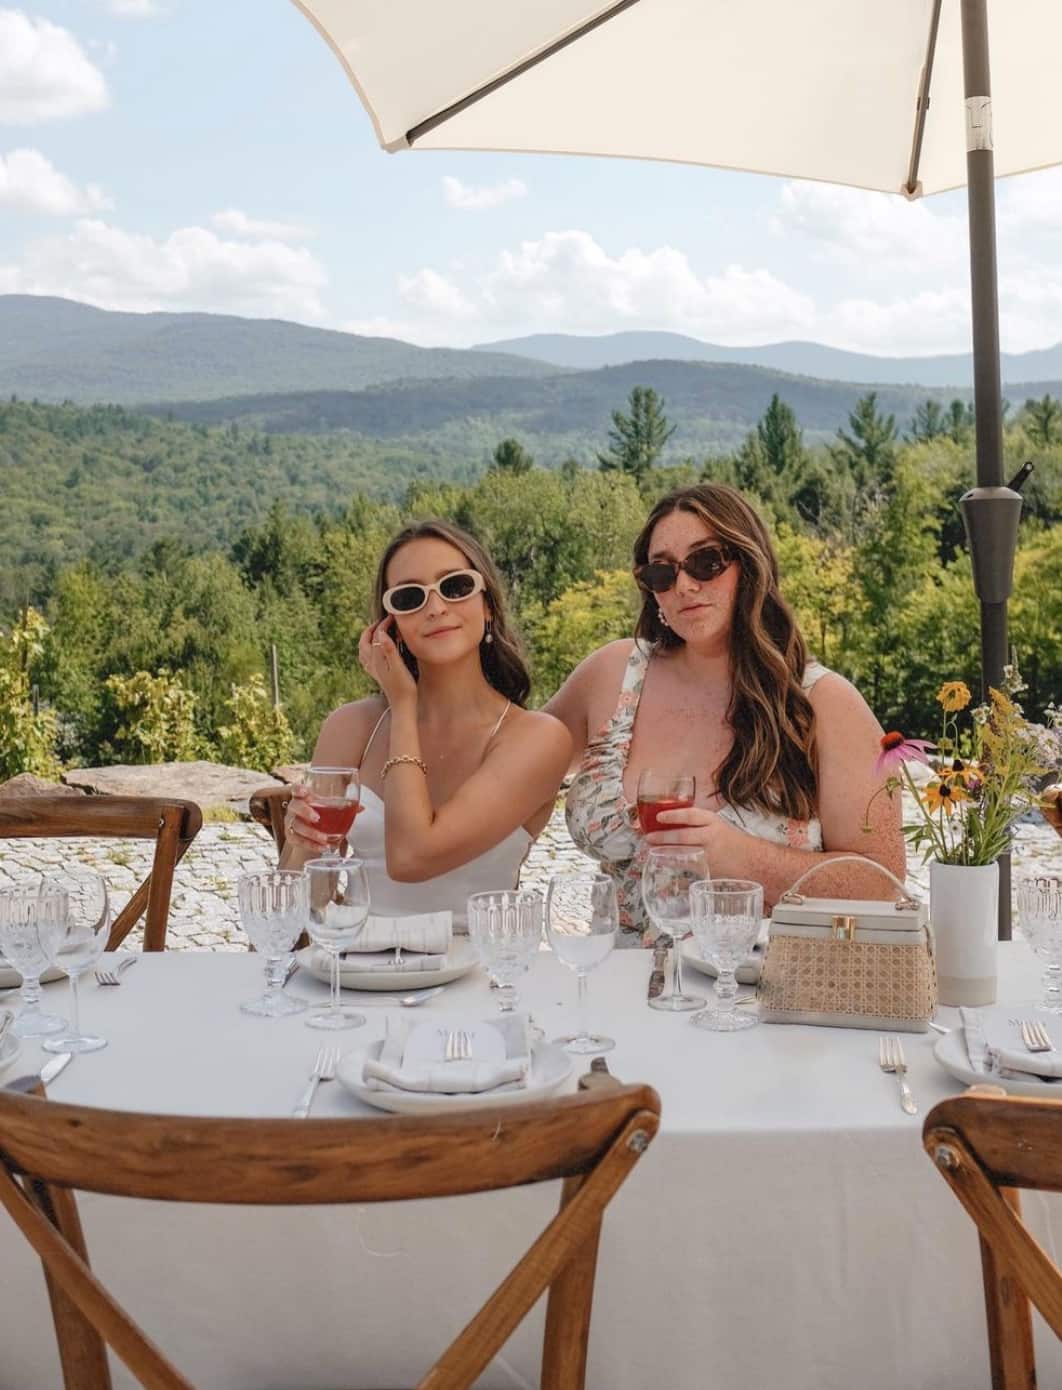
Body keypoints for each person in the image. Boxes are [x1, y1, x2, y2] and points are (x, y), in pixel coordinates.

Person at [546, 483, 905, 944]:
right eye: (662, 573)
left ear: (748, 567)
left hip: (760, 998)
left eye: (706, 562)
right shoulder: (613, 676)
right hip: (615, 994)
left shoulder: (825, 704)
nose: (685, 585)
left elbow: (884, 890)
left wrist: (741, 857)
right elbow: (507, 764)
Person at [281, 519, 571, 927]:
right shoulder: (351, 727)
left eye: (455, 587)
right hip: (362, 976)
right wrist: (302, 847)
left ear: (487, 604)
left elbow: (411, 857)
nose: (436, 608)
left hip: (481, 977)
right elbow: (301, 912)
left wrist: (402, 705)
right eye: (410, 597)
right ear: (390, 623)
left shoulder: (538, 738)